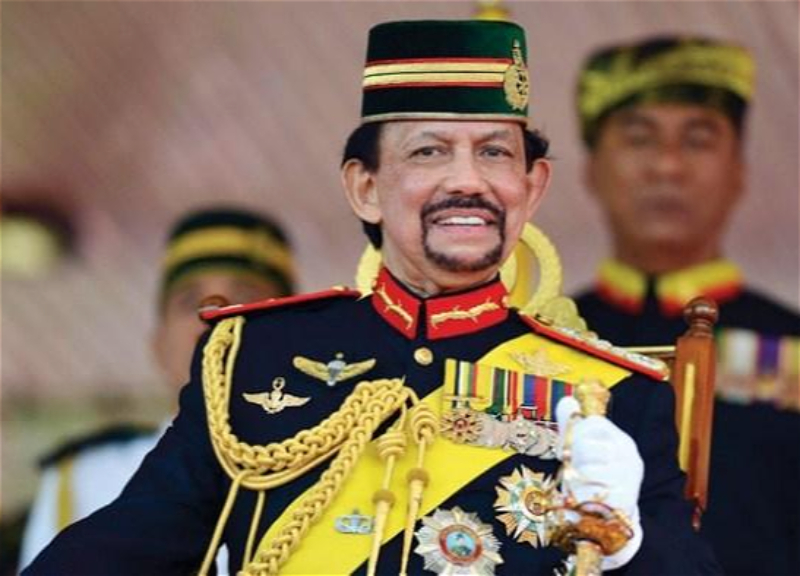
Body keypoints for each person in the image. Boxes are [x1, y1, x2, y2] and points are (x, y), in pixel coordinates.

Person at [24, 20, 717, 576]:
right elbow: (135, 540)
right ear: (364, 188)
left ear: (532, 188)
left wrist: (629, 542)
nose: (467, 181)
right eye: (428, 152)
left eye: (495, 153)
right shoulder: (255, 355)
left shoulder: (612, 396)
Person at [572, 36, 800, 576]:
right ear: (591, 169)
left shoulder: (791, 347)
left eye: (698, 139)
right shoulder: (546, 338)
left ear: (739, 169)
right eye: (639, 138)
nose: (668, 166)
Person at [19, 206, 296, 572]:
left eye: (246, 295)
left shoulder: (344, 466)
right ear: (158, 346)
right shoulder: (87, 478)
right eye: (189, 302)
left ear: (296, 337)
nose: (215, 314)